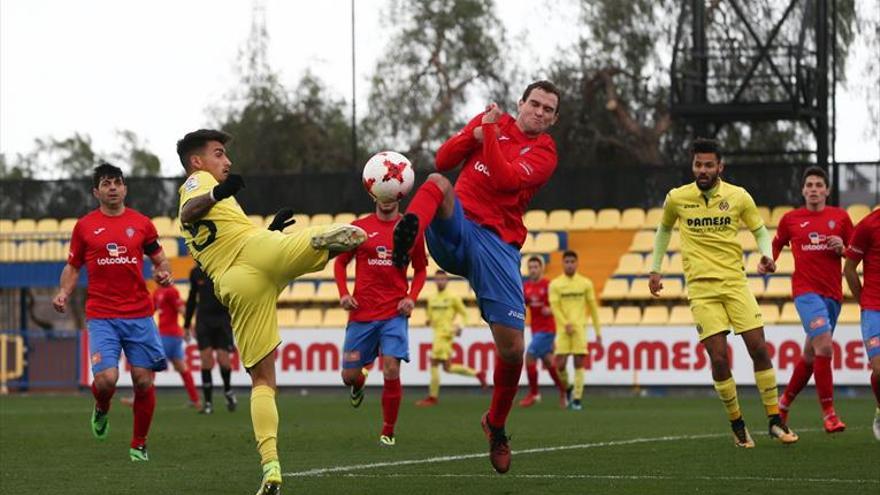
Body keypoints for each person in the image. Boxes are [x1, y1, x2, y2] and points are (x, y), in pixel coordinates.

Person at [177, 129, 366, 495]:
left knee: (262, 381)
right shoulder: (197, 181)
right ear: (196, 161)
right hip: (258, 252)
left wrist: (266, 227)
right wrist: (216, 191)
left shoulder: (214, 194)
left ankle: (271, 465)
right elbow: (188, 210)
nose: (227, 161)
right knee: (319, 242)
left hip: (237, 282)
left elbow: (216, 229)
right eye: (218, 154)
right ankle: (317, 245)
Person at [391, 80, 560, 473]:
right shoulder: (491, 124)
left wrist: (487, 137)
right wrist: (476, 129)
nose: (538, 112)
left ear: (552, 120)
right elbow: (445, 155)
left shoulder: (545, 152)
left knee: (514, 349)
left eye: (547, 110)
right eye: (534, 103)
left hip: (498, 244)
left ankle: (495, 425)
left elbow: (504, 180)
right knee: (436, 183)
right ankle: (408, 236)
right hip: (460, 225)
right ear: (521, 103)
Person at [649, 137, 798, 448]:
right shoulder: (677, 198)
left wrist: (766, 253)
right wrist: (655, 268)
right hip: (702, 289)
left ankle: (774, 419)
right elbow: (664, 229)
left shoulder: (738, 196)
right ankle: (737, 424)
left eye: (708, 165)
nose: (702, 170)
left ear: (720, 166)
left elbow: (758, 228)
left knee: (758, 348)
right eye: (697, 165)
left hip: (735, 283)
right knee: (718, 358)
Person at [52, 163, 172, 462]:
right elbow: (73, 266)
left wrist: (163, 274)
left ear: (125, 188)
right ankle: (102, 407)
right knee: (106, 380)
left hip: (139, 314)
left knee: (143, 381)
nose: (113, 188)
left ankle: (139, 444)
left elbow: (160, 260)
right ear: (96, 192)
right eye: (106, 184)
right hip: (102, 315)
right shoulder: (85, 226)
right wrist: (64, 292)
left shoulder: (142, 223)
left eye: (117, 182)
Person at [334, 194, 427, 446]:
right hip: (361, 313)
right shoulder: (360, 228)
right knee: (349, 376)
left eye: (391, 196)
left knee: (391, 368)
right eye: (381, 195)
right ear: (374, 195)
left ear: (399, 195)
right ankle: (360, 380)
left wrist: (411, 297)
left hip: (393, 313)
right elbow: (340, 264)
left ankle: (388, 431)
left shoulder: (409, 230)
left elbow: (420, 269)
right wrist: (343, 293)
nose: (386, 200)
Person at [772, 167, 853, 432]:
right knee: (825, 347)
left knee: (811, 355)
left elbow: (855, 252)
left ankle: (782, 407)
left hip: (832, 296)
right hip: (806, 293)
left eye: (819, 184)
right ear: (803, 190)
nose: (814, 188)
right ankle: (829, 414)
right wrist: (768, 261)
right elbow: (775, 243)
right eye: (809, 184)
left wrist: (843, 248)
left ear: (827, 190)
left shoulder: (840, 218)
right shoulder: (791, 219)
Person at [415, 270, 488, 407]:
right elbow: (431, 317)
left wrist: (460, 326)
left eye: (443, 279)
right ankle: (477, 373)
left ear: (447, 281)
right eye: (438, 279)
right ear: (434, 281)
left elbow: (465, 313)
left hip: (446, 334)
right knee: (447, 367)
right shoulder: (431, 298)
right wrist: (429, 321)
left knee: (434, 363)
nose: (440, 282)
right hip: (437, 333)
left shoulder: (453, 297)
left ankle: (432, 397)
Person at [843, 208, 880, 441]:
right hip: (874, 309)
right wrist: (863, 302)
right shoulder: (868, 225)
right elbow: (849, 268)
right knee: (879, 369)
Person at [549, 251, 602, 411]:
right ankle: (569, 389)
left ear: (577, 263)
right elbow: (555, 307)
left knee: (579, 363)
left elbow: (593, 309)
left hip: (579, 329)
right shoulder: (555, 284)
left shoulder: (585, 283)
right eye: (567, 262)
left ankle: (577, 399)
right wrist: (565, 323)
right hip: (563, 330)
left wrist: (598, 332)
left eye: (572, 261)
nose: (570, 264)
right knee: (560, 365)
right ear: (562, 263)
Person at [184, 265, 237, 414]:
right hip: (204, 321)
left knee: (224, 361)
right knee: (206, 360)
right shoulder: (195, 272)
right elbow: (192, 298)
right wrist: (187, 325)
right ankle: (208, 403)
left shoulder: (222, 268)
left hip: (222, 320)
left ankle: (227, 391)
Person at [519, 256, 569, 408]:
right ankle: (564, 391)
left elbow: (561, 304)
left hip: (548, 329)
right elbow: (523, 303)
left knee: (529, 356)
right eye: (531, 267)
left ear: (541, 268)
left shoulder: (549, 285)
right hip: (535, 329)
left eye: (536, 267)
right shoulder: (526, 286)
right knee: (549, 362)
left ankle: (534, 394)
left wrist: (551, 309)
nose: (533, 270)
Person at [152, 284, 201, 408]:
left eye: (157, 270)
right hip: (167, 335)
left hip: (169, 335)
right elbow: (149, 311)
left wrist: (189, 327)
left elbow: (182, 310)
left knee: (150, 364)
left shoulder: (171, 291)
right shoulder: (157, 292)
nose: (155, 274)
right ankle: (195, 400)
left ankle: (141, 398)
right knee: (181, 366)